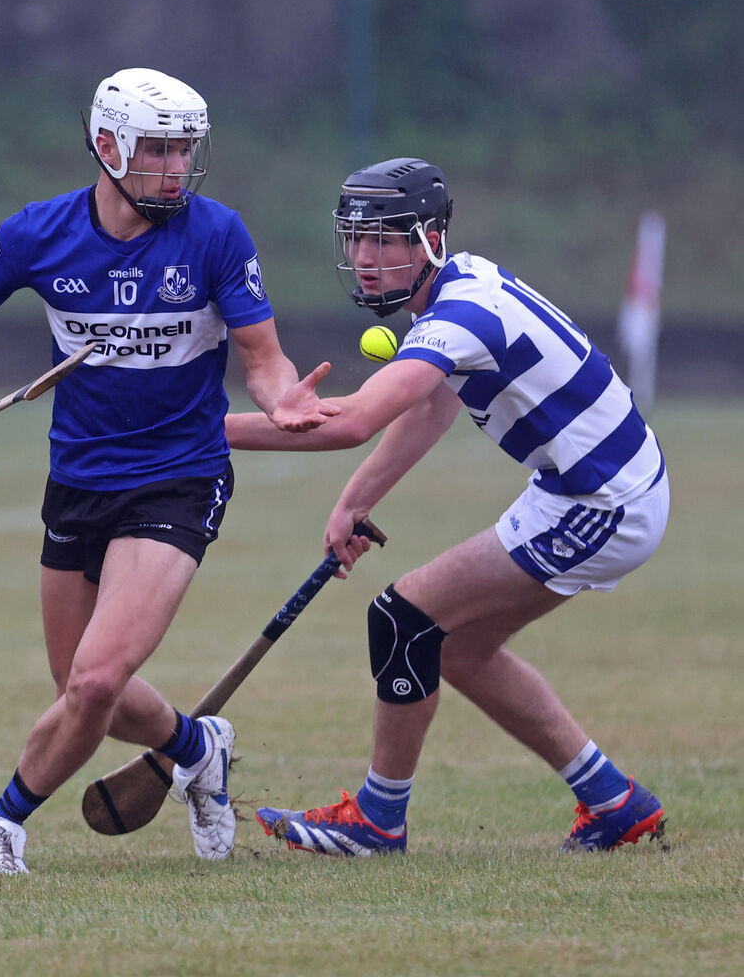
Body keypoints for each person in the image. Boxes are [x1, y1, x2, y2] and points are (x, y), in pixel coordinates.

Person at [0, 67, 337, 874]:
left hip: (180, 475)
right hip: (78, 478)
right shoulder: (40, 234)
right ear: (107, 147)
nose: (178, 168)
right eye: (161, 150)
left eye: (186, 151)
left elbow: (265, 361)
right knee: (80, 688)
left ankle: (3, 821)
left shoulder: (216, 235)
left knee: (99, 679)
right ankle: (197, 748)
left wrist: (284, 402)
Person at [225, 156, 669, 855]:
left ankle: (377, 821)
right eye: (357, 238)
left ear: (430, 237)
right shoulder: (457, 289)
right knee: (455, 647)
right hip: (585, 488)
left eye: (386, 240)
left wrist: (196, 437)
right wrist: (354, 502)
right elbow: (433, 405)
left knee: (402, 619)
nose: (366, 259)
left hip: (604, 501)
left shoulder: (460, 313)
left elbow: (350, 423)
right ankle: (614, 801)